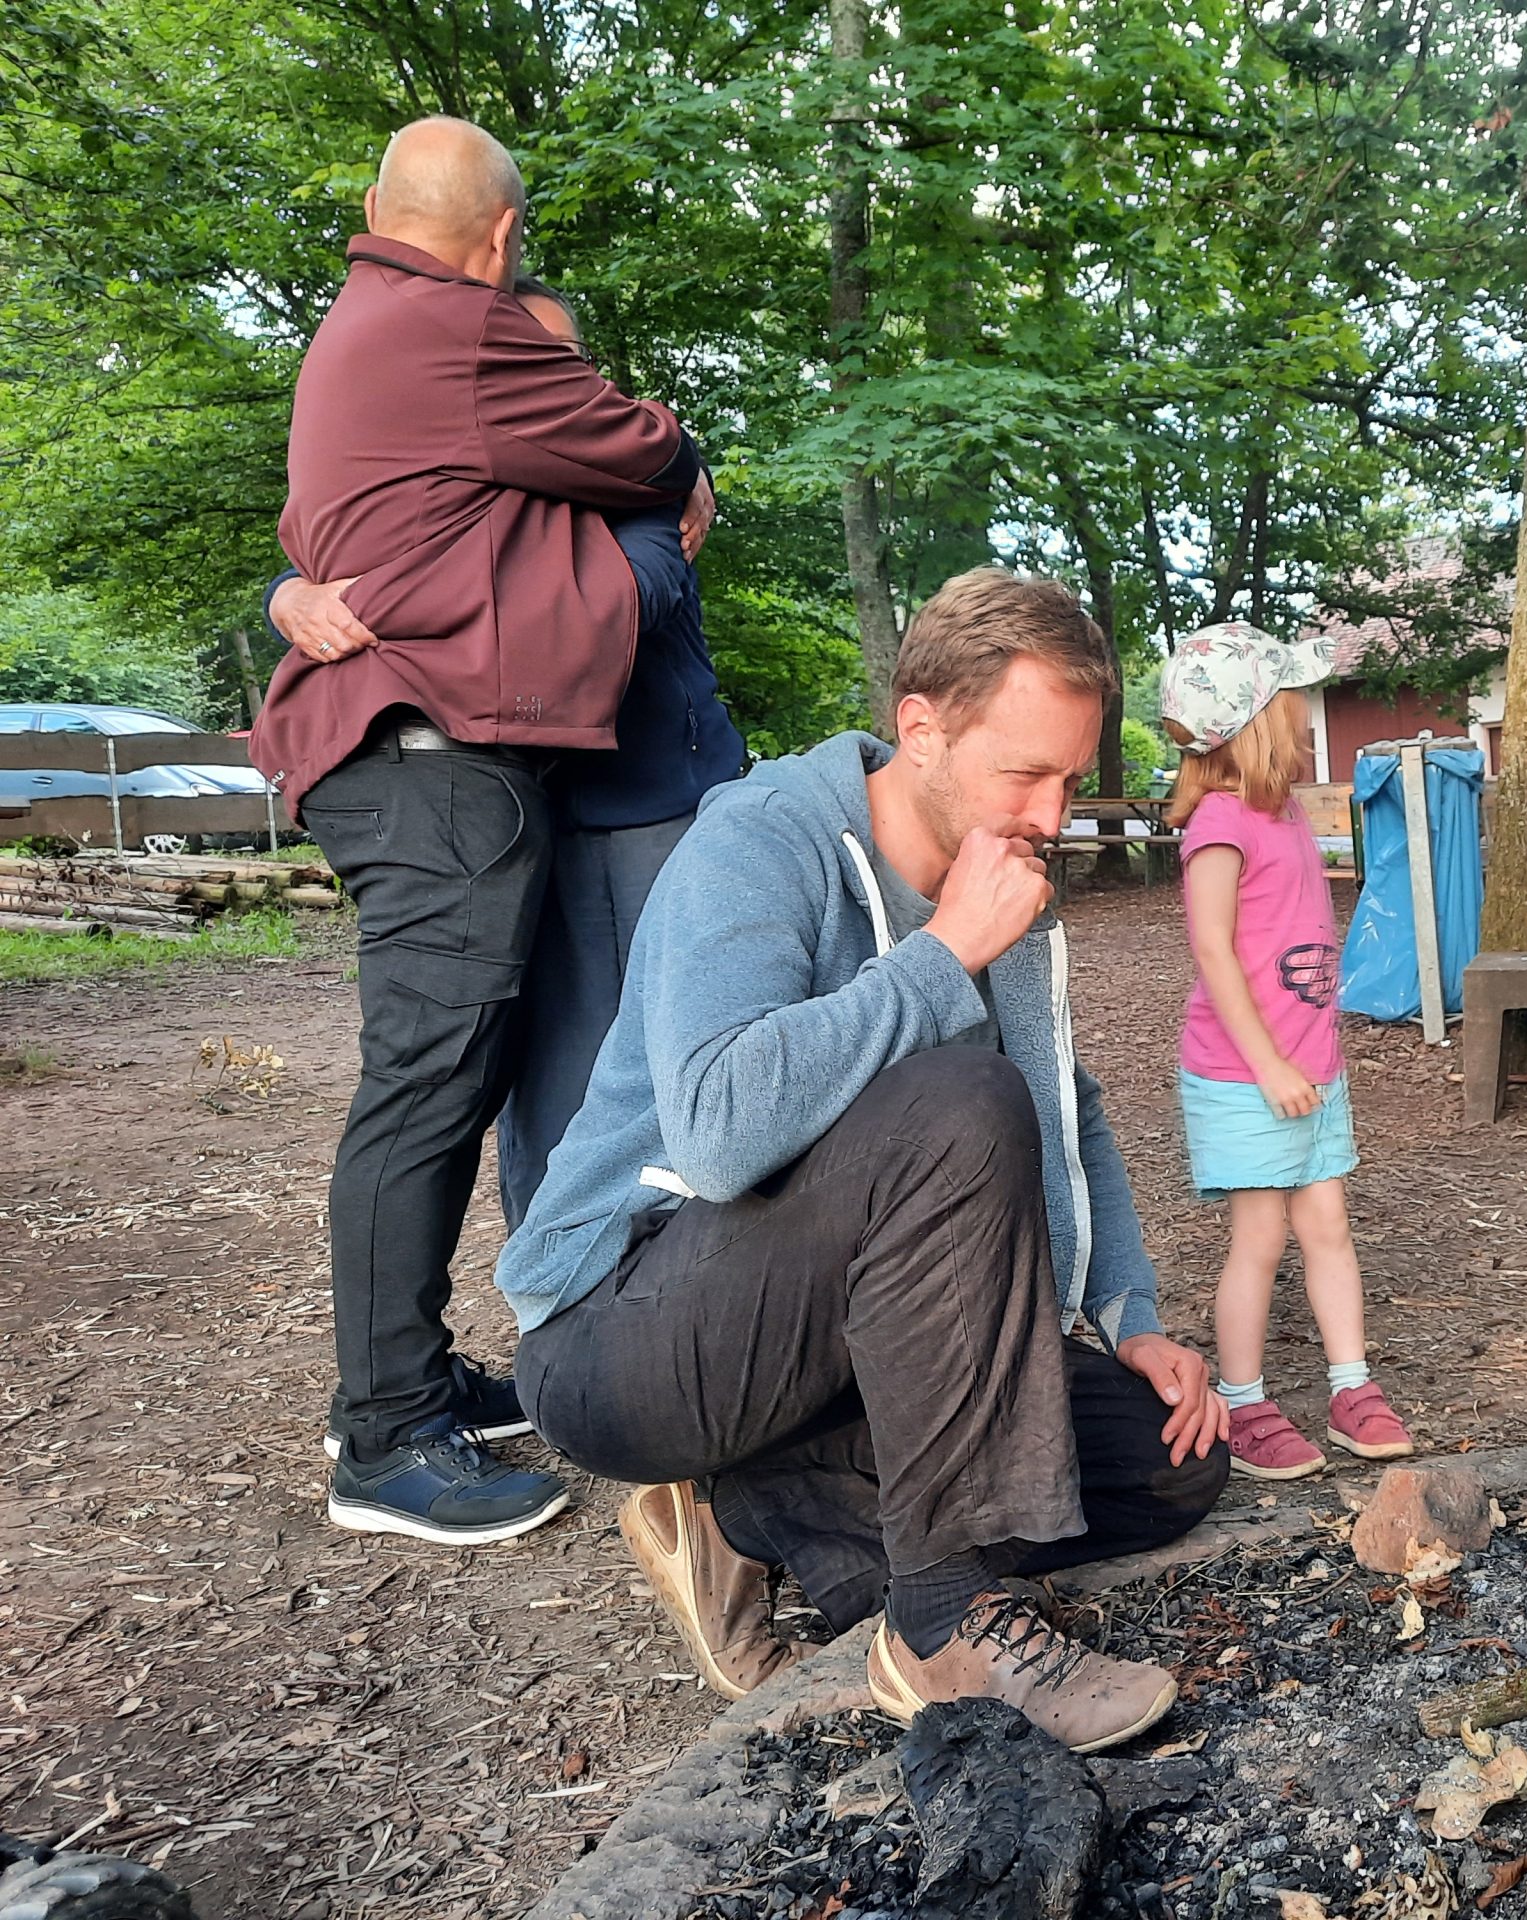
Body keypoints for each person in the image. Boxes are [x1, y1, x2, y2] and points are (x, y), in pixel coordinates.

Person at [494, 569, 1231, 1748]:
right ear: (921, 728)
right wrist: (942, 958)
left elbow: (1066, 1107)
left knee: (1163, 1462)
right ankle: (937, 1622)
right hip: (623, 1334)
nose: (1049, 814)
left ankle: (751, 1509)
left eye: (1069, 781)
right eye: (1023, 774)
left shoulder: (1009, 884)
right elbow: (722, 1131)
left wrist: (1126, 1312)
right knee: (951, 1094)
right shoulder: (759, 840)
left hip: (832, 1357)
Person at [251, 116, 714, 1546]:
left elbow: (327, 532)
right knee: (427, 1087)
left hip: (433, 761)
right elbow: (657, 455)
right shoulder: (458, 328)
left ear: (376, 202)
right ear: (501, 242)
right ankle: (383, 1438)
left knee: (454, 1077)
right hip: (431, 764)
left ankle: (409, 1380)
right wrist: (647, 459)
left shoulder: (367, 329)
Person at [270, 279, 749, 1230]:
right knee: (549, 1068)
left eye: (559, 363)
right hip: (532, 814)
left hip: (665, 803)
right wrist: (290, 592)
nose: (539, 381)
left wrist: (357, 601)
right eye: (518, 363)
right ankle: (559, 1295)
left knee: (681, 1050)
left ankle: (697, 1275)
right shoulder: (460, 489)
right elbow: (356, 549)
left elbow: (622, 595)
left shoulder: (634, 476)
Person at [1158, 623, 1413, 1480]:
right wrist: (1269, 1063)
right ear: (1252, 724)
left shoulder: (1285, 813)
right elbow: (1214, 949)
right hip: (1244, 1076)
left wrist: (1307, 1061)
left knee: (1328, 1225)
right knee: (1260, 1236)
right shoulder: (1220, 823)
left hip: (1311, 1072)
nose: (1307, 725)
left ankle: (1351, 1386)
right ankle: (1243, 1397)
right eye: (1294, 710)